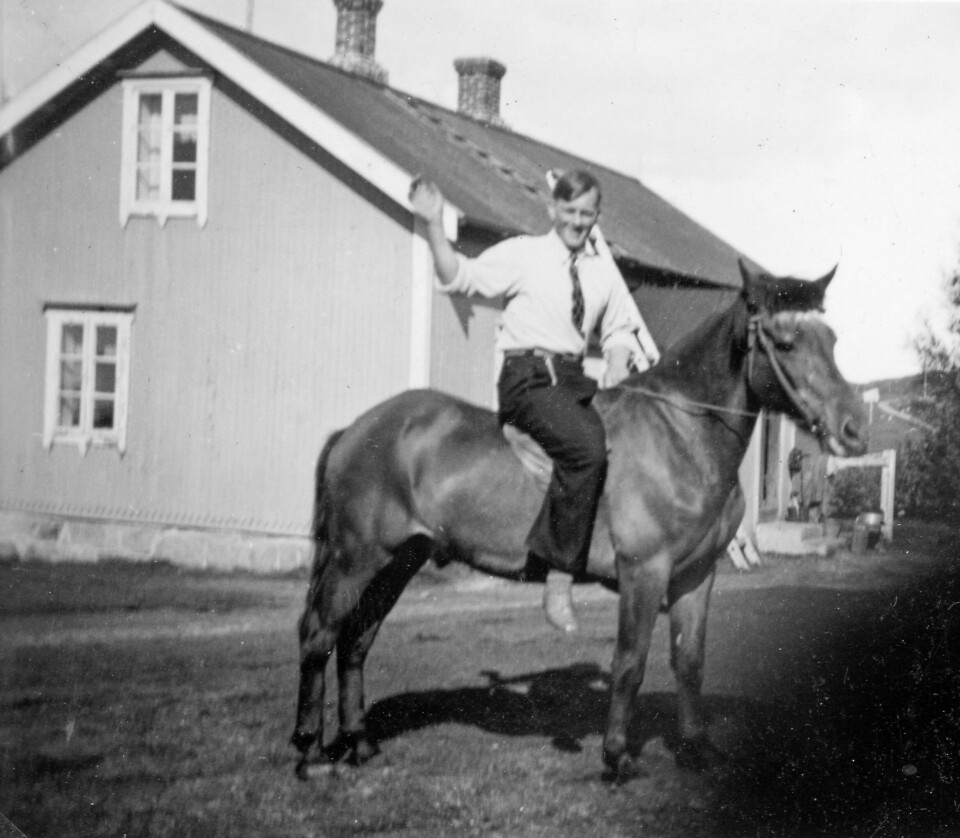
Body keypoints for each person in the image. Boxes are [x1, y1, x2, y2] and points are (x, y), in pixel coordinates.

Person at [409, 170, 648, 632]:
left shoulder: (603, 271)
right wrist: (435, 223)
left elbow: (619, 326)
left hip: (576, 381)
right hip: (529, 379)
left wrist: (618, 359)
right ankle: (559, 578)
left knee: (624, 445)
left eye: (587, 213)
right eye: (570, 212)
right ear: (552, 210)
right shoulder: (525, 254)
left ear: (597, 216)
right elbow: (459, 276)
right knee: (585, 448)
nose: (578, 222)